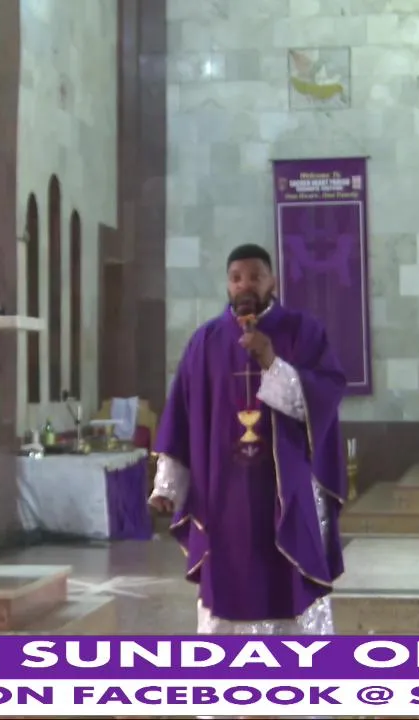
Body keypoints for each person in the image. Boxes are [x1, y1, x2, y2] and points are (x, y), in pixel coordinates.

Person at [149, 243, 348, 635]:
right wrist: (168, 484)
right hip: (222, 492)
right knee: (226, 584)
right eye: (236, 278)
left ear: (273, 281)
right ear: (228, 285)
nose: (245, 286)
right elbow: (182, 415)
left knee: (290, 585)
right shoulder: (205, 342)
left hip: (287, 490)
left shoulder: (303, 332)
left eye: (255, 277)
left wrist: (271, 361)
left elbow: (324, 396)